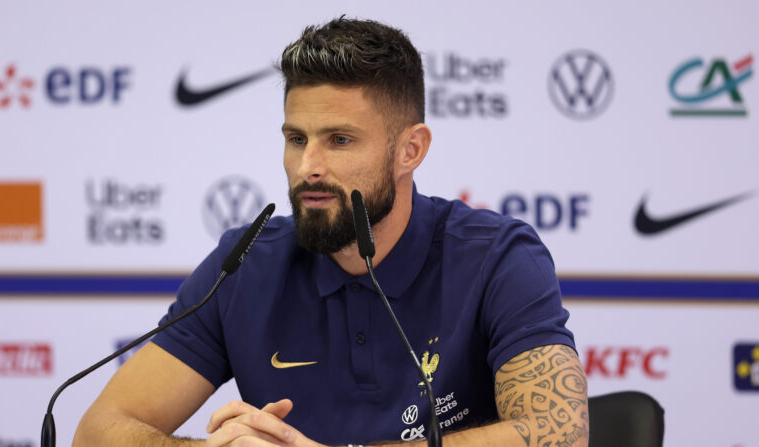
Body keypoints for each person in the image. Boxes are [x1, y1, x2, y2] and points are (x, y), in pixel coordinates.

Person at [74, 17, 588, 447]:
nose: (309, 167)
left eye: (339, 140)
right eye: (296, 139)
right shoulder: (244, 262)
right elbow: (98, 431)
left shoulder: (496, 256)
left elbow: (559, 432)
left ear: (411, 150)